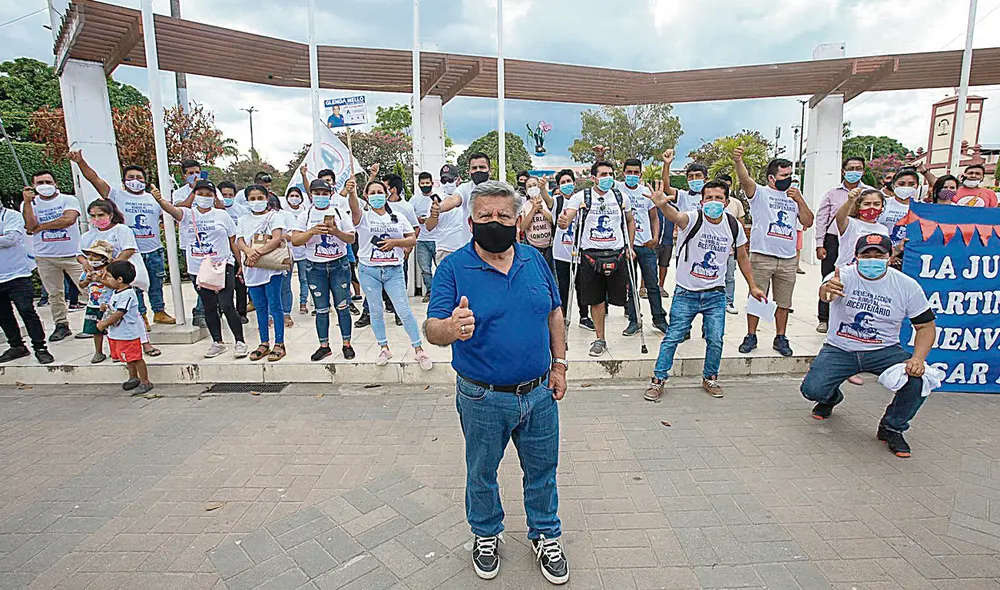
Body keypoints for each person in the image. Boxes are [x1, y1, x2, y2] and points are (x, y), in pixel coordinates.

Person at [424, 179, 569, 585]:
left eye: (504, 215)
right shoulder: (453, 268)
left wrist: (559, 366)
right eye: (485, 215)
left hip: (539, 393)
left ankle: (546, 534)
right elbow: (432, 328)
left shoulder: (534, 259)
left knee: (543, 471)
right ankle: (486, 534)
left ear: (517, 221)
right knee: (482, 471)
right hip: (482, 397)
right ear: (471, 222)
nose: (495, 222)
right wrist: (451, 328)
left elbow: (554, 313)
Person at [802, 234, 936, 458]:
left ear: (890, 257)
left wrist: (918, 359)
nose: (872, 260)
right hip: (840, 348)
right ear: (856, 256)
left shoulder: (907, 286)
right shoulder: (842, 276)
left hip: (884, 350)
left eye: (879, 255)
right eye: (866, 255)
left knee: (918, 380)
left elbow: (926, 326)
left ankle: (892, 428)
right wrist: (827, 290)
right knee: (812, 390)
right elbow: (826, 293)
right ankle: (831, 397)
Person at [645, 180, 766, 401]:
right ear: (701, 201)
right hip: (686, 293)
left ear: (726, 202)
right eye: (709, 198)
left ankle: (710, 377)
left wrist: (753, 286)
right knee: (672, 337)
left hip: (715, 294)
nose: (713, 202)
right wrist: (662, 205)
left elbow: (742, 257)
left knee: (715, 338)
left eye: (718, 198)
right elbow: (676, 217)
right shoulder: (693, 218)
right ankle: (658, 379)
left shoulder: (733, 225)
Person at [69, 150, 176, 328]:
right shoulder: (116, 195)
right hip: (129, 254)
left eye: (139, 177)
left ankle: (159, 311)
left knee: (155, 283)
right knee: (132, 285)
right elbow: (95, 179)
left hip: (153, 250)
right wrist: (80, 162)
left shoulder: (152, 199)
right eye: (131, 177)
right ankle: (141, 315)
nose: (135, 180)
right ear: (124, 180)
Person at [733, 148, 815, 357]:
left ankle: (781, 336)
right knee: (757, 298)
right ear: (772, 178)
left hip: (787, 258)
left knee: (784, 302)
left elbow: (808, 221)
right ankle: (751, 335)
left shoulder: (794, 197)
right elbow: (745, 180)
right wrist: (739, 161)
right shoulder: (760, 193)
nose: (788, 179)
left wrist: (800, 200)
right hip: (762, 255)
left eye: (790, 175)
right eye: (784, 175)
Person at [154, 182, 248, 358]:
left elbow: (232, 240)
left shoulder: (222, 215)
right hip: (199, 268)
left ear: (214, 197)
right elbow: (171, 210)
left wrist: (240, 262)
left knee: (227, 304)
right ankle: (217, 342)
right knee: (209, 306)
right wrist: (160, 200)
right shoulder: (187, 214)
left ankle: (240, 341)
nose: (204, 197)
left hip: (222, 265)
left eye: (208, 194)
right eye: (200, 193)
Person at [348, 178, 433, 369]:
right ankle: (384, 347)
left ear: (387, 194)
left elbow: (412, 239)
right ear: (366, 196)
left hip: (393, 270)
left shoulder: (398, 217)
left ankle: (419, 349)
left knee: (404, 310)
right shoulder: (363, 217)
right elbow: (354, 208)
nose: (376, 196)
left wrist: (395, 243)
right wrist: (352, 192)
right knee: (376, 311)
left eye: (380, 192)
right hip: (369, 270)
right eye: (372, 193)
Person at [556, 160, 636, 357]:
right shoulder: (581, 197)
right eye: (603, 174)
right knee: (596, 300)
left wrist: (630, 246)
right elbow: (569, 217)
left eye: (610, 174)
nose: (608, 178)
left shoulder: (621, 197)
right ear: (593, 178)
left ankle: (632, 322)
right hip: (591, 255)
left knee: (619, 298)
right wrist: (564, 221)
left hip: (617, 253)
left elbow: (630, 221)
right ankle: (600, 338)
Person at [291, 179, 358, 361]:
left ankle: (347, 344)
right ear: (311, 194)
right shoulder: (305, 215)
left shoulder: (340, 213)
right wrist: (312, 231)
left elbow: (351, 238)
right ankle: (324, 346)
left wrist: (336, 232)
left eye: (324, 193)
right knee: (321, 309)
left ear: (330, 194)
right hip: (315, 267)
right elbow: (295, 240)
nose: (321, 196)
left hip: (339, 265)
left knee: (342, 306)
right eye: (317, 193)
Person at [20, 171, 84, 342]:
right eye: (40, 183)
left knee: (88, 287)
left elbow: (68, 219)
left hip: (73, 255)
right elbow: (29, 225)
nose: (44, 185)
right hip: (45, 256)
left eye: (48, 182)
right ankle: (61, 324)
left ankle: (98, 320)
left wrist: (41, 227)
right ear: (33, 186)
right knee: (54, 294)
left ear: (55, 183)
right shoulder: (29, 204)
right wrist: (27, 203)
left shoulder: (68, 199)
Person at [814, 156, 871, 333]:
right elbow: (822, 218)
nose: (855, 172)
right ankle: (824, 318)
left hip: (860, 242)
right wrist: (820, 243)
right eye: (851, 168)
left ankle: (850, 316)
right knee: (829, 278)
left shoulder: (870, 193)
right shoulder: (832, 193)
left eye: (858, 168)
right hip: (833, 241)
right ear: (843, 171)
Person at [236, 185, 288, 362]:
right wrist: (248, 252)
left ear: (267, 198)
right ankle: (264, 343)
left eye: (260, 198)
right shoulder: (243, 220)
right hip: (252, 268)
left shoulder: (275, 217)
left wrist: (257, 253)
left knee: (275, 306)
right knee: (260, 307)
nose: (256, 202)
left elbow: (277, 238)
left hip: (271, 268)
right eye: (252, 199)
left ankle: (279, 343)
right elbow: (239, 241)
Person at [618, 158, 668, 336]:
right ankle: (634, 320)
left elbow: (654, 217)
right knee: (631, 285)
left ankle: (659, 319)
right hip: (627, 245)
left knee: (652, 284)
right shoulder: (617, 190)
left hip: (646, 245)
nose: (632, 175)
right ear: (623, 173)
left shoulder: (646, 192)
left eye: (635, 172)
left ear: (640, 174)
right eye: (629, 172)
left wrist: (655, 237)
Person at [0, 204, 54, 364]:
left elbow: (10, 239)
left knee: (26, 311)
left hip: (18, 274)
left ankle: (40, 348)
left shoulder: (11, 216)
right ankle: (16, 346)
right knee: (3, 315)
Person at [97, 260, 154, 395]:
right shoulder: (117, 292)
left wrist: (104, 324)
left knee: (135, 358)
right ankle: (133, 377)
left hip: (128, 334)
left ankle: (145, 381)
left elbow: (120, 313)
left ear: (120, 279)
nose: (108, 279)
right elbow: (114, 308)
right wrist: (106, 308)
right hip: (118, 333)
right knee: (128, 358)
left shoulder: (128, 294)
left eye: (109, 277)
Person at [550, 170, 593, 331]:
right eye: (563, 182)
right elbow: (547, 200)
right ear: (558, 186)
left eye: (569, 181)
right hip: (561, 253)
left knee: (583, 286)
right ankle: (563, 316)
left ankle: (584, 316)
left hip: (580, 252)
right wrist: (541, 188)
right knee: (564, 287)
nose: (566, 184)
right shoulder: (557, 201)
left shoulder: (582, 200)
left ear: (574, 183)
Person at [78, 240, 115, 364]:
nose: (91, 258)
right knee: (95, 330)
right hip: (93, 305)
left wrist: (100, 280)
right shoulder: (87, 271)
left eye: (95, 256)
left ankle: (115, 351)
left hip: (108, 305)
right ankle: (98, 352)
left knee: (112, 329)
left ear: (104, 258)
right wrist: (87, 280)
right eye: (90, 255)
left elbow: (114, 285)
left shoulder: (109, 271)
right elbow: (81, 284)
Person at [834, 188, 890, 269]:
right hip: (847, 269)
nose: (872, 207)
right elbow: (840, 218)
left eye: (876, 204)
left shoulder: (883, 229)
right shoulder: (851, 223)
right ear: (859, 206)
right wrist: (850, 201)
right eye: (867, 204)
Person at [219, 181, 250, 323]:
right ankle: (221, 311)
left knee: (240, 285)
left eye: (230, 195)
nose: (227, 198)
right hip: (221, 253)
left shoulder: (241, 211)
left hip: (239, 250)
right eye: (224, 195)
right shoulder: (216, 211)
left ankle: (241, 313)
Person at [425, 164, 468, 264]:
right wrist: (434, 214)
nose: (447, 183)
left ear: (458, 179)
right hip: (444, 250)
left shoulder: (467, 196)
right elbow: (429, 227)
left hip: (466, 249)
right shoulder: (436, 199)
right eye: (444, 180)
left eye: (450, 180)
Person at [281, 186, 311, 315]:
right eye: (291, 196)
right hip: (288, 252)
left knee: (304, 279)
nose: (294, 198)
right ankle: (286, 309)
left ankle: (303, 303)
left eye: (297, 196)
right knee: (286, 281)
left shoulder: (306, 212)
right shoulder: (283, 212)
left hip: (303, 251)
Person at [721, 174, 748, 314]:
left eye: (728, 185)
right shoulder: (712, 203)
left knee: (730, 277)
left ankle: (728, 301)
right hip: (715, 248)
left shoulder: (736, 203)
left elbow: (741, 223)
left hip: (731, 249)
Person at [411, 172, 439, 302]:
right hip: (421, 239)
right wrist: (417, 219)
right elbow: (409, 216)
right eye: (423, 183)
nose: (425, 185)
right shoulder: (414, 200)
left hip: (437, 239)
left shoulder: (437, 198)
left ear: (432, 183)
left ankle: (442, 291)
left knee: (441, 267)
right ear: (419, 184)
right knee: (425, 269)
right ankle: (430, 291)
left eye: (427, 183)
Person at [920, 163, 997, 207]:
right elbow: (937, 183)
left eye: (977, 174)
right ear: (964, 175)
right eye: (970, 173)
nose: (973, 175)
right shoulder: (953, 190)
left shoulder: (990, 193)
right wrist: (924, 172)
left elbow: (992, 214)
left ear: (982, 177)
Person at [520, 175, 555, 267]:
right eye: (529, 186)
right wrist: (533, 209)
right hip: (532, 246)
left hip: (549, 247)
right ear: (526, 191)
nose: (532, 188)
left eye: (534, 185)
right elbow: (522, 227)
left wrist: (541, 209)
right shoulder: (524, 206)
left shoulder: (548, 203)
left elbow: (553, 220)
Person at [879, 168, 918, 249]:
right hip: (884, 250)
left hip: (911, 252)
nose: (906, 187)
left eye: (911, 184)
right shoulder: (883, 204)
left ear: (917, 186)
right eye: (901, 184)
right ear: (893, 185)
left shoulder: (922, 208)